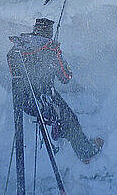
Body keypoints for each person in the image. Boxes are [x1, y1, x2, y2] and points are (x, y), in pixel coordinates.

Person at [7, 18, 103, 163]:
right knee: (70, 119)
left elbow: (15, 73)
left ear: (35, 30)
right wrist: (60, 60)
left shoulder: (18, 47)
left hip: (23, 100)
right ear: (49, 32)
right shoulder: (51, 49)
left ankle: (61, 130)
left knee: (61, 115)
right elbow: (65, 77)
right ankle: (85, 152)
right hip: (44, 98)